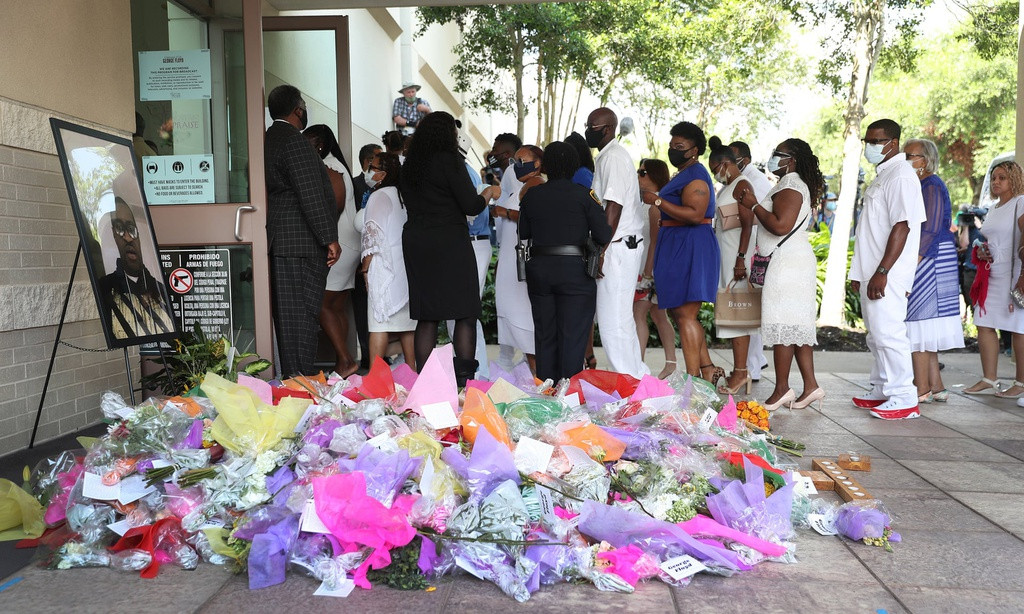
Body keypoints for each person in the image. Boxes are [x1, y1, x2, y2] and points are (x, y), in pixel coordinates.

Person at [400, 111, 500, 385]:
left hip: (417, 241)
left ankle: (426, 384)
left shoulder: (410, 165)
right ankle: (464, 383)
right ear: (448, 135)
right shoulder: (450, 160)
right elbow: (471, 205)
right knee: (465, 312)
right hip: (449, 241)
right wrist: (488, 192)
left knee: (427, 316)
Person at [848, 119, 927, 420]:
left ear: (893, 143)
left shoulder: (901, 176)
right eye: (867, 141)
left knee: (889, 333)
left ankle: (904, 396)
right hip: (873, 270)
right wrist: (860, 272)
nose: (869, 147)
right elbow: (871, 229)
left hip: (888, 272)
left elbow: (902, 226)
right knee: (876, 334)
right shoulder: (885, 174)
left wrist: (882, 271)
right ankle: (883, 387)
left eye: (875, 141)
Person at [737, 139, 823, 412]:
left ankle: (782, 389)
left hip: (787, 264)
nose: (772, 157)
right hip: (793, 261)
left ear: (792, 160)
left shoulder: (791, 186)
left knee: (783, 324)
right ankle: (811, 386)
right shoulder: (790, 184)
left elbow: (780, 225)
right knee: (795, 326)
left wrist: (754, 205)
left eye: (778, 154)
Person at [519, 141, 613, 382]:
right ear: (574, 166)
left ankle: (547, 388)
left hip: (540, 270)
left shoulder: (532, 195)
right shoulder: (584, 195)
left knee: (545, 334)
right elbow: (603, 234)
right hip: (575, 271)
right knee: (573, 335)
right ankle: (568, 392)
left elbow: (524, 232)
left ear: (546, 165)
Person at [264, 84, 341, 377]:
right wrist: (329, 237)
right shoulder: (293, 141)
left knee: (290, 318)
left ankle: (295, 380)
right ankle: (301, 382)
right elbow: (310, 193)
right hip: (300, 243)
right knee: (303, 317)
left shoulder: (269, 138)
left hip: (283, 241)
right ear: (298, 110)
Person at [639, 121, 719, 383]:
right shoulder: (684, 173)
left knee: (686, 315)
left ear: (694, 150)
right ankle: (707, 369)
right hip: (677, 244)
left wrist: (657, 200)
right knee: (681, 313)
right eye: (672, 145)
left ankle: (693, 381)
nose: (673, 149)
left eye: (680, 146)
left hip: (691, 245)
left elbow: (695, 214)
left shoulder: (696, 176)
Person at [586, 107, 650, 378]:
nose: (588, 130)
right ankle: (636, 379)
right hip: (620, 245)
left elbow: (614, 206)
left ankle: (630, 381)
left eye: (592, 126)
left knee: (613, 321)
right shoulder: (609, 155)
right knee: (619, 320)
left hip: (617, 246)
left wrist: (600, 249)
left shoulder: (613, 157)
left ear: (608, 129)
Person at [902, 138, 964, 403]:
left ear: (924, 160)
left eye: (910, 155)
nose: (905, 159)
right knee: (925, 325)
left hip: (931, 258)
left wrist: (913, 263)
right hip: (930, 256)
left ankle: (921, 389)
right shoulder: (920, 184)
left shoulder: (931, 185)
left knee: (918, 321)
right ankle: (936, 386)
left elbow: (930, 228)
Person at [964, 161, 1024, 397]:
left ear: (1014, 180)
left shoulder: (1020, 203)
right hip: (992, 274)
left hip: (1015, 274)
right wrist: (982, 250)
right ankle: (989, 379)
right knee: (984, 322)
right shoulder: (994, 208)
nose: (996, 182)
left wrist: (1022, 276)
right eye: (994, 177)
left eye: (1002, 178)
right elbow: (993, 240)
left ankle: (1021, 383)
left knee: (1019, 327)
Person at [304, 124, 360, 377]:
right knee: (336, 306)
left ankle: (345, 359)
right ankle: (344, 361)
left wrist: (325, 238)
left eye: (307, 142)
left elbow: (334, 205)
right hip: (348, 243)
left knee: (321, 304)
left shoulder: (331, 167)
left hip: (340, 243)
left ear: (319, 145)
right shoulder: (335, 165)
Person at [707, 137, 758, 394]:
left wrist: (740, 258)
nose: (715, 174)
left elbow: (748, 224)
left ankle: (740, 372)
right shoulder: (728, 187)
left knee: (738, 316)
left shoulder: (742, 185)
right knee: (731, 315)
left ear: (726, 164)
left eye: (715, 169)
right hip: (727, 256)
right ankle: (739, 370)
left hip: (737, 258)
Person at [359, 152, 415, 364]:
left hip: (384, 265)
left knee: (379, 325)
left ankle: (375, 375)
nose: (368, 171)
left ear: (383, 174)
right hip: (404, 266)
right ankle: (412, 371)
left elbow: (372, 235)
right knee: (407, 326)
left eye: (372, 167)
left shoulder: (379, 196)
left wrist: (365, 269)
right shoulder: (403, 195)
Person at [96, 188, 175, 340]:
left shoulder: (161, 290)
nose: (128, 237)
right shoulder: (105, 289)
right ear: (113, 235)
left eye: (131, 229)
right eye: (120, 228)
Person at [493, 145, 545, 374]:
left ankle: (538, 376)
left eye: (521, 160)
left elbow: (533, 216)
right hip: (508, 259)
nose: (516, 166)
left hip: (521, 261)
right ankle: (531, 374)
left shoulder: (537, 184)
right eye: (514, 161)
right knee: (512, 315)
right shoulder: (522, 187)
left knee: (524, 320)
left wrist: (503, 212)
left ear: (537, 163)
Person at [633, 158, 679, 378]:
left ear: (654, 176)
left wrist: (647, 274)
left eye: (642, 172)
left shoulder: (656, 205)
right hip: (650, 267)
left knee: (638, 314)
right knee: (659, 315)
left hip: (650, 268)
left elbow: (655, 241)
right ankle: (670, 363)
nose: (638, 175)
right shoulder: (647, 202)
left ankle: (638, 366)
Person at [728, 140, 770, 381]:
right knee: (745, 309)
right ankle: (755, 361)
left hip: (752, 249)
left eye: (732, 158)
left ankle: (752, 366)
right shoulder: (740, 180)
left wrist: (724, 218)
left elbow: (756, 216)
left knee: (748, 310)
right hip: (745, 248)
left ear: (745, 160)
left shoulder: (754, 181)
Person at [488, 132, 525, 367]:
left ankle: (512, 359)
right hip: (508, 247)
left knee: (509, 303)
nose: (492, 153)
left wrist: (501, 211)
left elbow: (520, 209)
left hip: (514, 250)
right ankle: (510, 359)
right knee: (507, 303)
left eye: (496, 148)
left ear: (508, 153)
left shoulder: (513, 172)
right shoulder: (508, 174)